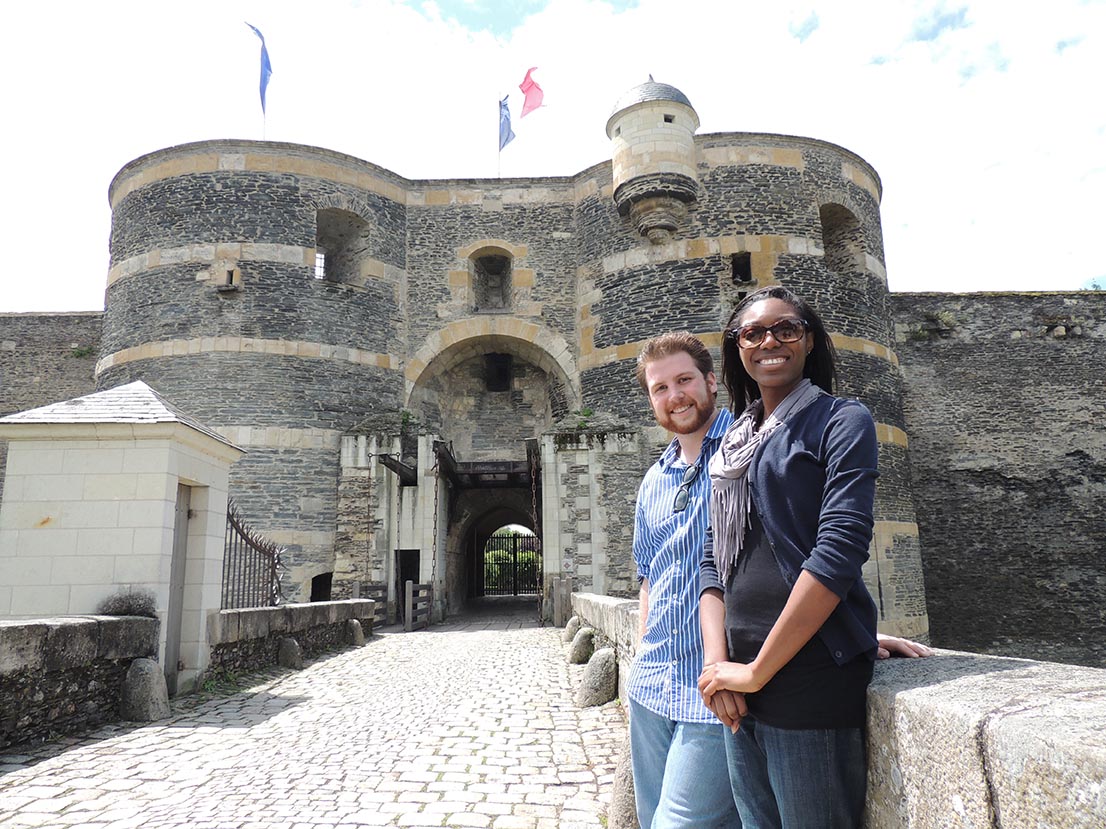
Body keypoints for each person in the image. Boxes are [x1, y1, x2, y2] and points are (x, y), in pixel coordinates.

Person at [628, 330, 928, 828]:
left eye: (684, 380)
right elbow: (649, 576)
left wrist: (846, 627)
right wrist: (643, 648)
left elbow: (801, 547)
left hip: (715, 693)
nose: (674, 396)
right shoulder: (653, 478)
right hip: (651, 687)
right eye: (660, 388)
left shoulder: (750, 447)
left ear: (710, 382)